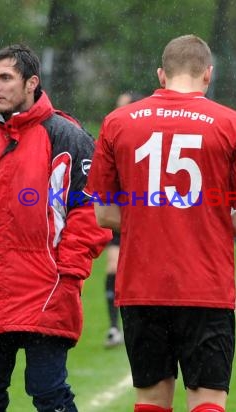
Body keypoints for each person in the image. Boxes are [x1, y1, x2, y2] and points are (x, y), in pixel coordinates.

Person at [87, 35, 236, 412]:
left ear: (161, 74)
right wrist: (206, 221)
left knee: (151, 399)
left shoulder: (118, 122)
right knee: (207, 399)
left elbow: (103, 214)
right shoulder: (232, 125)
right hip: (204, 284)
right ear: (208, 74)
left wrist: (151, 218)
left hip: (142, 284)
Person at [0, 44, 111, 412]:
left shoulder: (67, 138)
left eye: (5, 77)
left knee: (48, 394)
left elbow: (91, 211)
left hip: (46, 290)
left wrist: (68, 271)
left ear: (32, 83)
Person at [104, 90, 144, 348]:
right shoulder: (114, 136)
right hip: (122, 216)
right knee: (112, 266)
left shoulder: (142, 138)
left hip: (147, 220)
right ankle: (113, 328)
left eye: (122, 107)